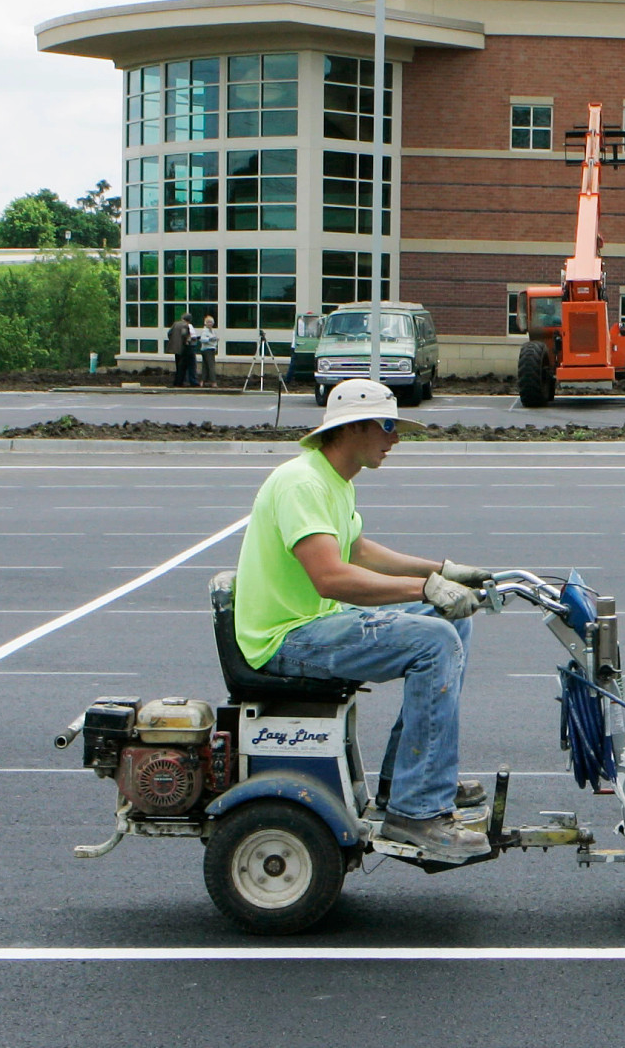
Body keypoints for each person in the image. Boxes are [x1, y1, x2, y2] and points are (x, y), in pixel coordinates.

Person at [234, 379, 498, 863]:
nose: (395, 438)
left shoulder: (333, 480)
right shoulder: (303, 483)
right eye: (389, 426)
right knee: (436, 640)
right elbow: (331, 577)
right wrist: (425, 589)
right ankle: (416, 811)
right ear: (352, 427)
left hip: (315, 623)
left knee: (451, 623)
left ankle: (410, 781)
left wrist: (440, 571)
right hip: (287, 637)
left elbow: (357, 550)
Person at [166, 312, 195, 387]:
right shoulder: (185, 325)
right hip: (183, 348)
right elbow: (184, 335)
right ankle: (180, 382)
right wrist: (188, 341)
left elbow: (169, 333)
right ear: (189, 320)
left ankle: (176, 382)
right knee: (182, 367)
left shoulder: (175, 324)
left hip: (175, 348)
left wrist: (173, 341)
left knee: (178, 365)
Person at [196, 314, 219, 388]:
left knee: (205, 366)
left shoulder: (213, 331)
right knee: (211, 366)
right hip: (207, 349)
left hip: (211, 349)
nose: (210, 323)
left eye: (211, 322)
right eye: (208, 322)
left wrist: (215, 343)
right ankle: (213, 382)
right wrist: (210, 339)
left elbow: (214, 339)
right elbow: (202, 339)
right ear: (205, 323)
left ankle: (202, 381)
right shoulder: (205, 331)